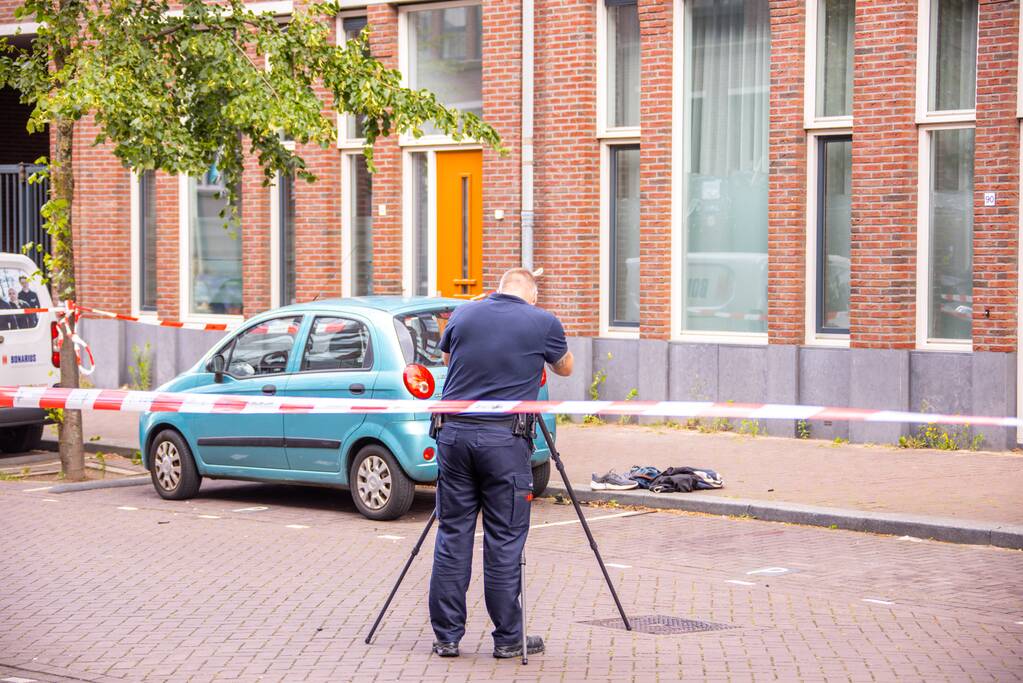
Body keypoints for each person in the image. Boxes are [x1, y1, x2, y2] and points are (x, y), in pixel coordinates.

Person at [429, 267, 574, 660]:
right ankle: (508, 637)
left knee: (453, 534)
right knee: (504, 540)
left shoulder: (464, 313)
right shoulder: (541, 320)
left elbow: (447, 356)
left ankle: (447, 637)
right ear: (532, 295)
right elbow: (566, 367)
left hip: (454, 436)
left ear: (499, 289)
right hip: (504, 442)